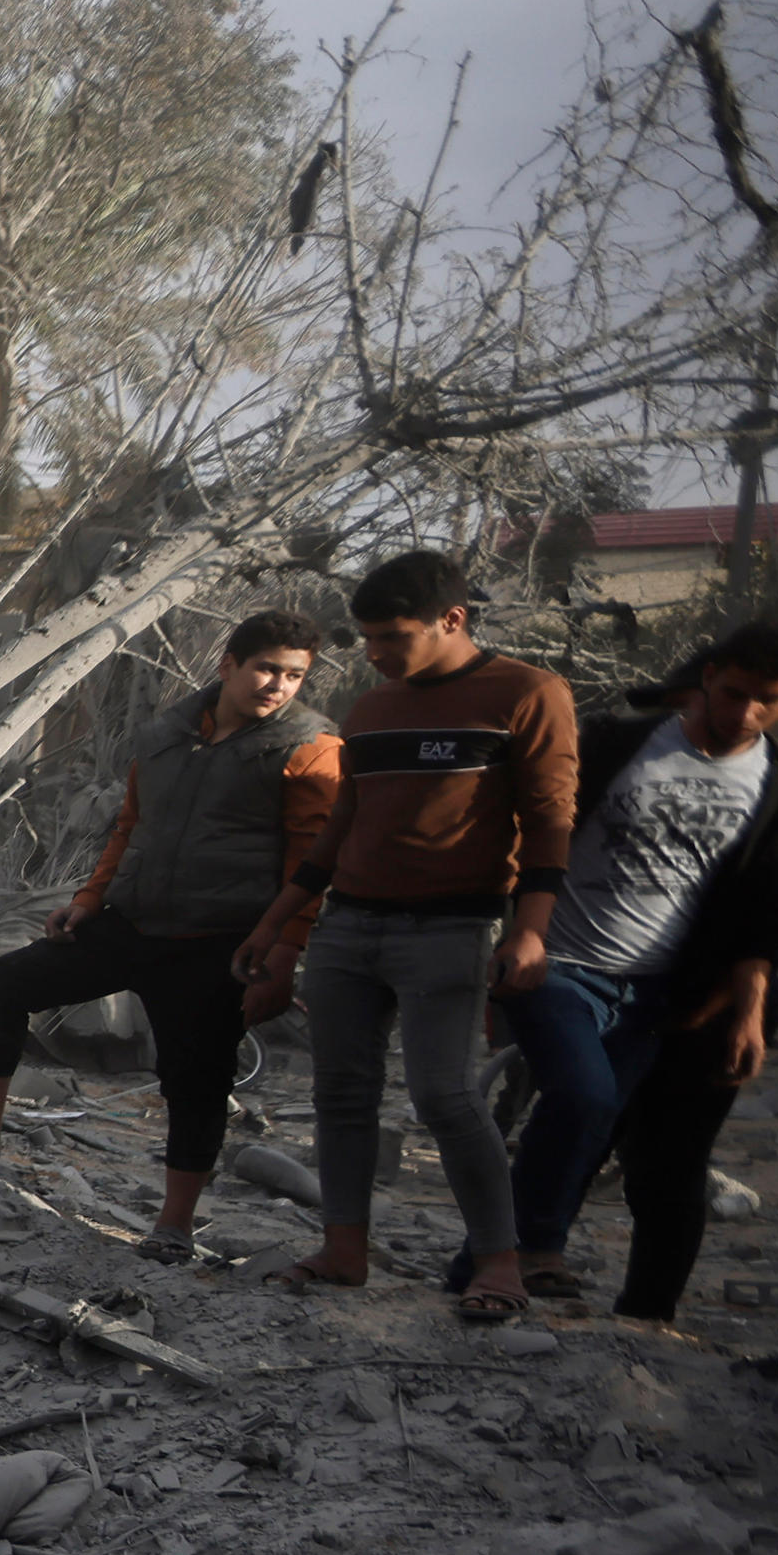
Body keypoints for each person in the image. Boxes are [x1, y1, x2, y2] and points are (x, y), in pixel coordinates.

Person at [234, 550, 574, 1320]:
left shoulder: (526, 692)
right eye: (369, 640)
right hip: (349, 926)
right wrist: (277, 921)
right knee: (340, 1093)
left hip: (450, 927)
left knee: (447, 1097)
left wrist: (531, 933)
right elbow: (339, 829)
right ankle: (343, 1250)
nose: (378, 655)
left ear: (451, 620)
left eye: (392, 636)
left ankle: (498, 1264)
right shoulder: (373, 710)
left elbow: (551, 819)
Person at [0, 611, 335, 1263]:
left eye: (295, 674)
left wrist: (286, 948)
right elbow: (130, 826)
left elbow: (311, 860)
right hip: (128, 923)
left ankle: (174, 1224)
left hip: (218, 940)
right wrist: (88, 899)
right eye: (267, 668)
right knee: (1, 984)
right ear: (228, 666)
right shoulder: (165, 736)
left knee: (197, 1080)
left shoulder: (310, 747)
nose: (279, 685)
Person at [496, 620, 778, 1314]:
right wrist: (509, 937)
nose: (744, 714)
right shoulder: (615, 744)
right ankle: (515, 1260)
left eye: (767, 699)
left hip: (677, 997)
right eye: (734, 692)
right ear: (707, 675)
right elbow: (532, 831)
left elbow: (775, 909)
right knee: (582, 1106)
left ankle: (643, 1316)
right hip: (564, 964)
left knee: (666, 1165)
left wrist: (741, 1008)